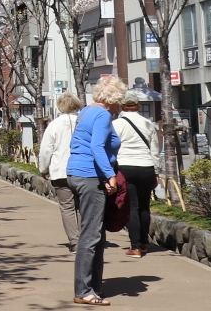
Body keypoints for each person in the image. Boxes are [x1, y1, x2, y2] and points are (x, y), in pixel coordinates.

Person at [67, 77, 127, 306]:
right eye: (119, 99)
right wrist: (110, 174)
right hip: (90, 176)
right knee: (91, 235)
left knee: (97, 233)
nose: (120, 104)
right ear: (113, 99)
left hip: (76, 172)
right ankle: (83, 290)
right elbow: (97, 146)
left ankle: (95, 286)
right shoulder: (103, 114)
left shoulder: (86, 111)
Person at [113, 91, 161, 259]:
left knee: (131, 207)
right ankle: (144, 242)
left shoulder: (116, 124)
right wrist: (156, 171)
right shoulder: (148, 124)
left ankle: (135, 247)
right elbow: (155, 151)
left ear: (122, 106)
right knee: (144, 206)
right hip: (146, 167)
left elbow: (111, 148)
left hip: (126, 167)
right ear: (138, 106)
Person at [37, 92, 84, 251]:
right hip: (83, 171)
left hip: (60, 171)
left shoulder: (54, 125)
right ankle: (86, 239)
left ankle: (75, 242)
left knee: (67, 208)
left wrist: (43, 168)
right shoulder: (84, 122)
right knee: (84, 206)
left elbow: (46, 150)